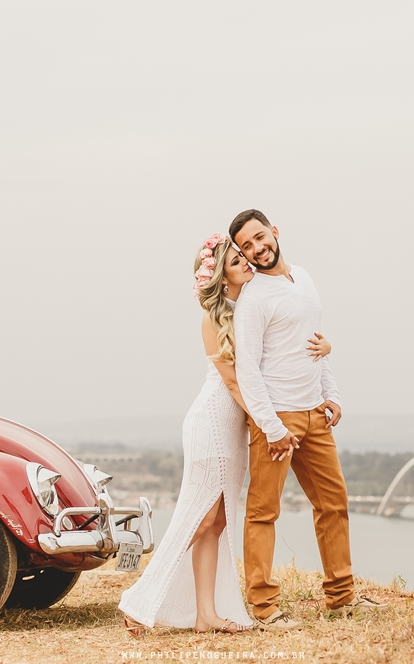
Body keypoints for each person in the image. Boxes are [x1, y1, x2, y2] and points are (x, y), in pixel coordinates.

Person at [118, 232, 331, 636]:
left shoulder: (251, 308)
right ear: (221, 276)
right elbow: (234, 384)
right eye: (237, 262)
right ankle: (139, 599)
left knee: (215, 523)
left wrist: (326, 350)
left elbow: (287, 349)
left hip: (235, 428)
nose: (248, 263)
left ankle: (205, 616)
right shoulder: (214, 318)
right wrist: (273, 426)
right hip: (212, 423)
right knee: (198, 520)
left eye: (244, 258)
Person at [230, 209, 383, 631]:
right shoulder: (254, 299)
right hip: (276, 418)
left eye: (260, 237)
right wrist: (272, 428)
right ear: (242, 253)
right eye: (247, 246)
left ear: (274, 232)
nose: (257, 248)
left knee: (334, 504)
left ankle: (342, 596)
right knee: (263, 512)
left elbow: (315, 344)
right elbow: (248, 370)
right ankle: (263, 608)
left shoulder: (304, 277)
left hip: (315, 414)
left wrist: (330, 394)